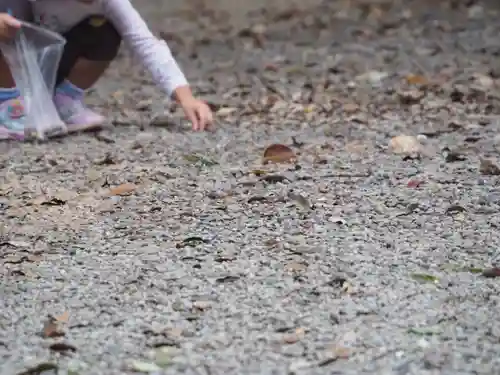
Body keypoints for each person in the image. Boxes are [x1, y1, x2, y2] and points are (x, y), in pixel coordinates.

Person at [0, 0, 213, 140]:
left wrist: (186, 98)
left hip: (48, 63)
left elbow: (146, 43)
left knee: (105, 31)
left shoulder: (110, 3)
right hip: (13, 62)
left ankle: (64, 101)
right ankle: (10, 104)